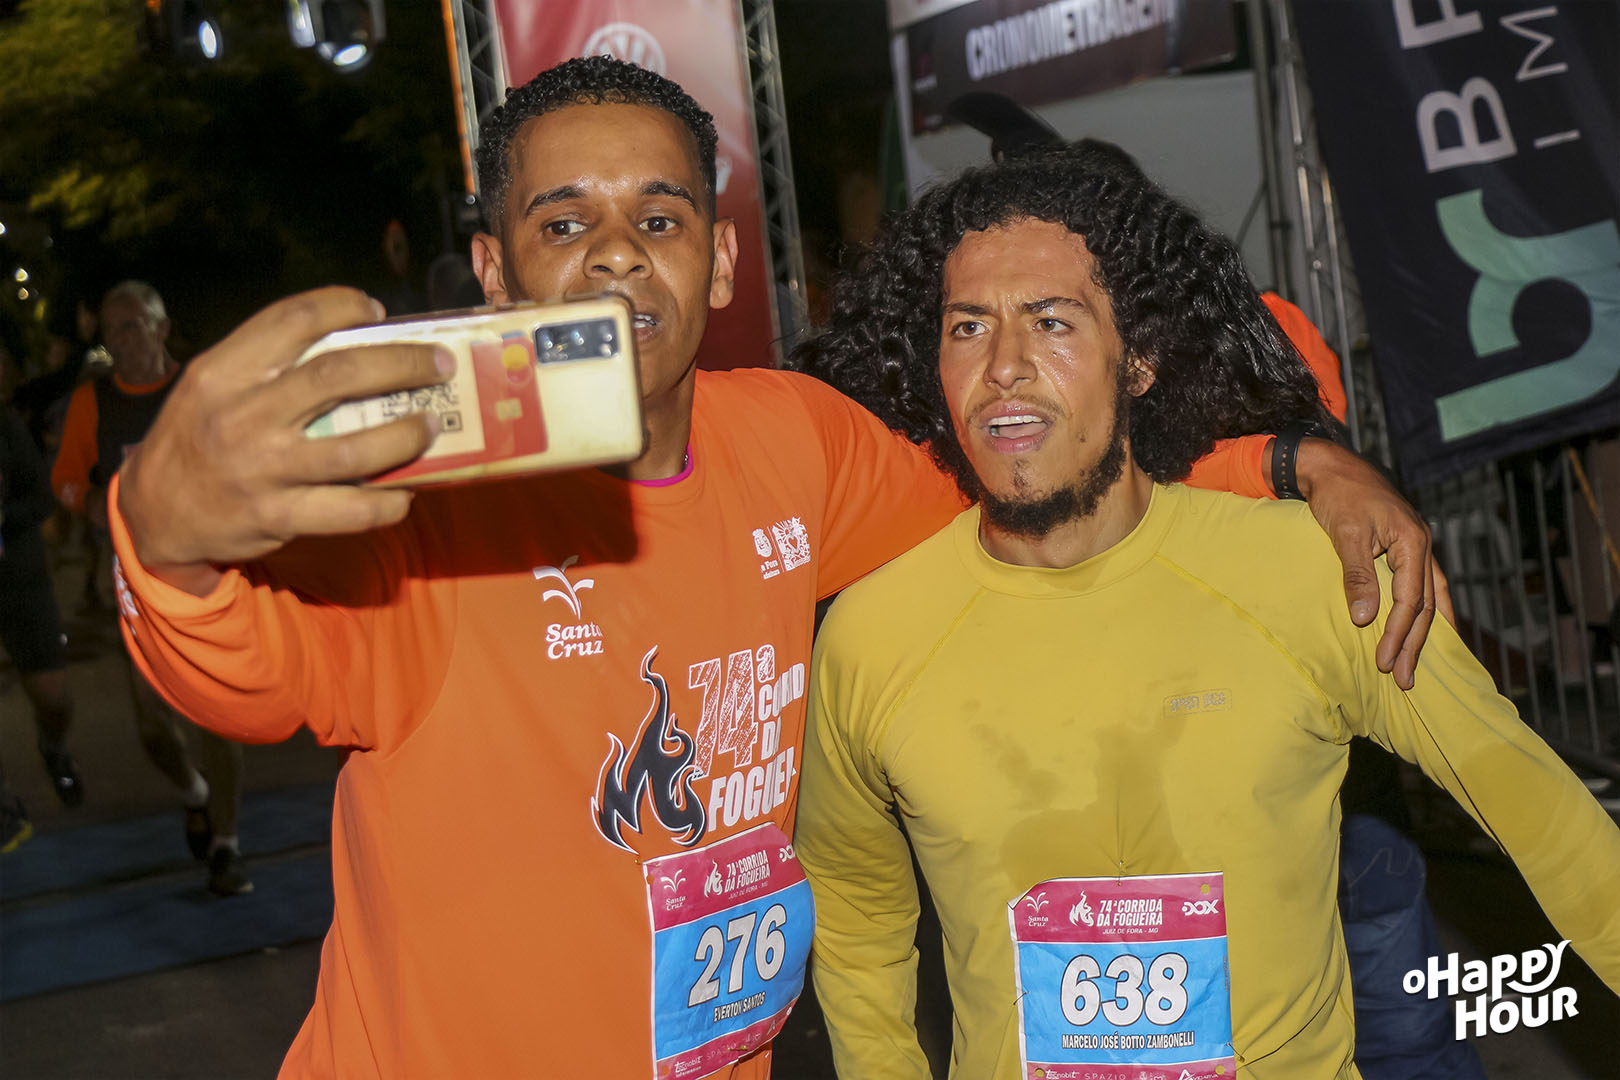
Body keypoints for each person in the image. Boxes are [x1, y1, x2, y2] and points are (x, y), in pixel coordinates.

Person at [108, 57, 1441, 1078]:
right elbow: (245, 675)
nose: (616, 251)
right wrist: (163, 540)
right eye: (563, 225)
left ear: (720, 259)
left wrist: (1287, 464)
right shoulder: (439, 516)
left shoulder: (790, 440)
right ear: (493, 272)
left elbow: (1021, 469)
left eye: (659, 216)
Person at [793, 145, 1620, 1079]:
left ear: (1139, 359)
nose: (1005, 366)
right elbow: (857, 921)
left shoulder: (1318, 577)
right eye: (968, 327)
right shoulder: (872, 635)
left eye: (1052, 321)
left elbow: (1550, 823)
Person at [51, 281, 251, 896]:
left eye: (133, 325)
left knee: (216, 711)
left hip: (209, 570)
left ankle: (226, 845)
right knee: (151, 723)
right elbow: (64, 479)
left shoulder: (198, 389)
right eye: (111, 330)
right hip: (138, 579)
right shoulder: (92, 402)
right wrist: (90, 503)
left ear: (162, 329)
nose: (121, 340)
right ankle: (194, 792)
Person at [1, 342, 83, 817]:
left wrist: (3, 517)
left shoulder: (8, 428)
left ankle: (53, 747)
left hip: (20, 579)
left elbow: (40, 499)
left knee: (53, 696)